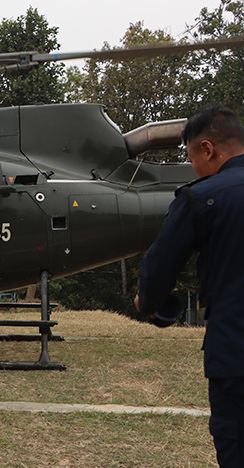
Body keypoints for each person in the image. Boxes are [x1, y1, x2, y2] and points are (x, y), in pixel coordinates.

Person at [134, 106, 244, 466]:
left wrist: (153, 304)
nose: (193, 166)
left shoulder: (202, 197)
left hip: (235, 352)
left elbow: (161, 264)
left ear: (208, 149)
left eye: (192, 157)